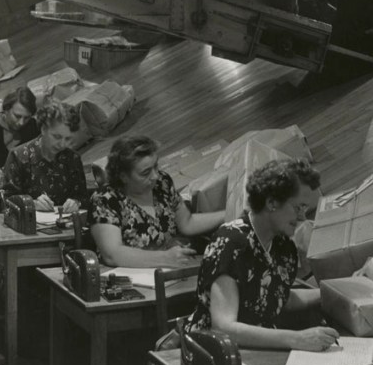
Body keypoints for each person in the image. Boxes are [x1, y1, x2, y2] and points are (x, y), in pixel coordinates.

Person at [184, 159, 338, 352]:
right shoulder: (231, 243)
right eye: (298, 207)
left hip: (258, 350)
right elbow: (225, 328)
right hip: (213, 354)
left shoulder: (282, 245)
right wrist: (297, 339)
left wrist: (333, 292)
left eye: (305, 208)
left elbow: (276, 297)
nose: (302, 217)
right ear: (272, 202)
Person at [89, 135, 225, 268]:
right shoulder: (104, 200)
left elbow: (187, 223)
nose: (155, 176)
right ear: (123, 176)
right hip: (130, 278)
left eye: (156, 167)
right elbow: (112, 254)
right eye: (145, 173)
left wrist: (229, 213)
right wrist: (165, 258)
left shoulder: (162, 183)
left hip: (168, 270)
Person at [1, 99, 87, 213]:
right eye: (56, 137)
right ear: (43, 129)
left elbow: (83, 196)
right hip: (27, 226)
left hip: (64, 225)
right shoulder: (19, 156)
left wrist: (76, 203)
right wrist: (32, 204)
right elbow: (5, 201)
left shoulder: (72, 158)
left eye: (67, 139)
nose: (62, 144)